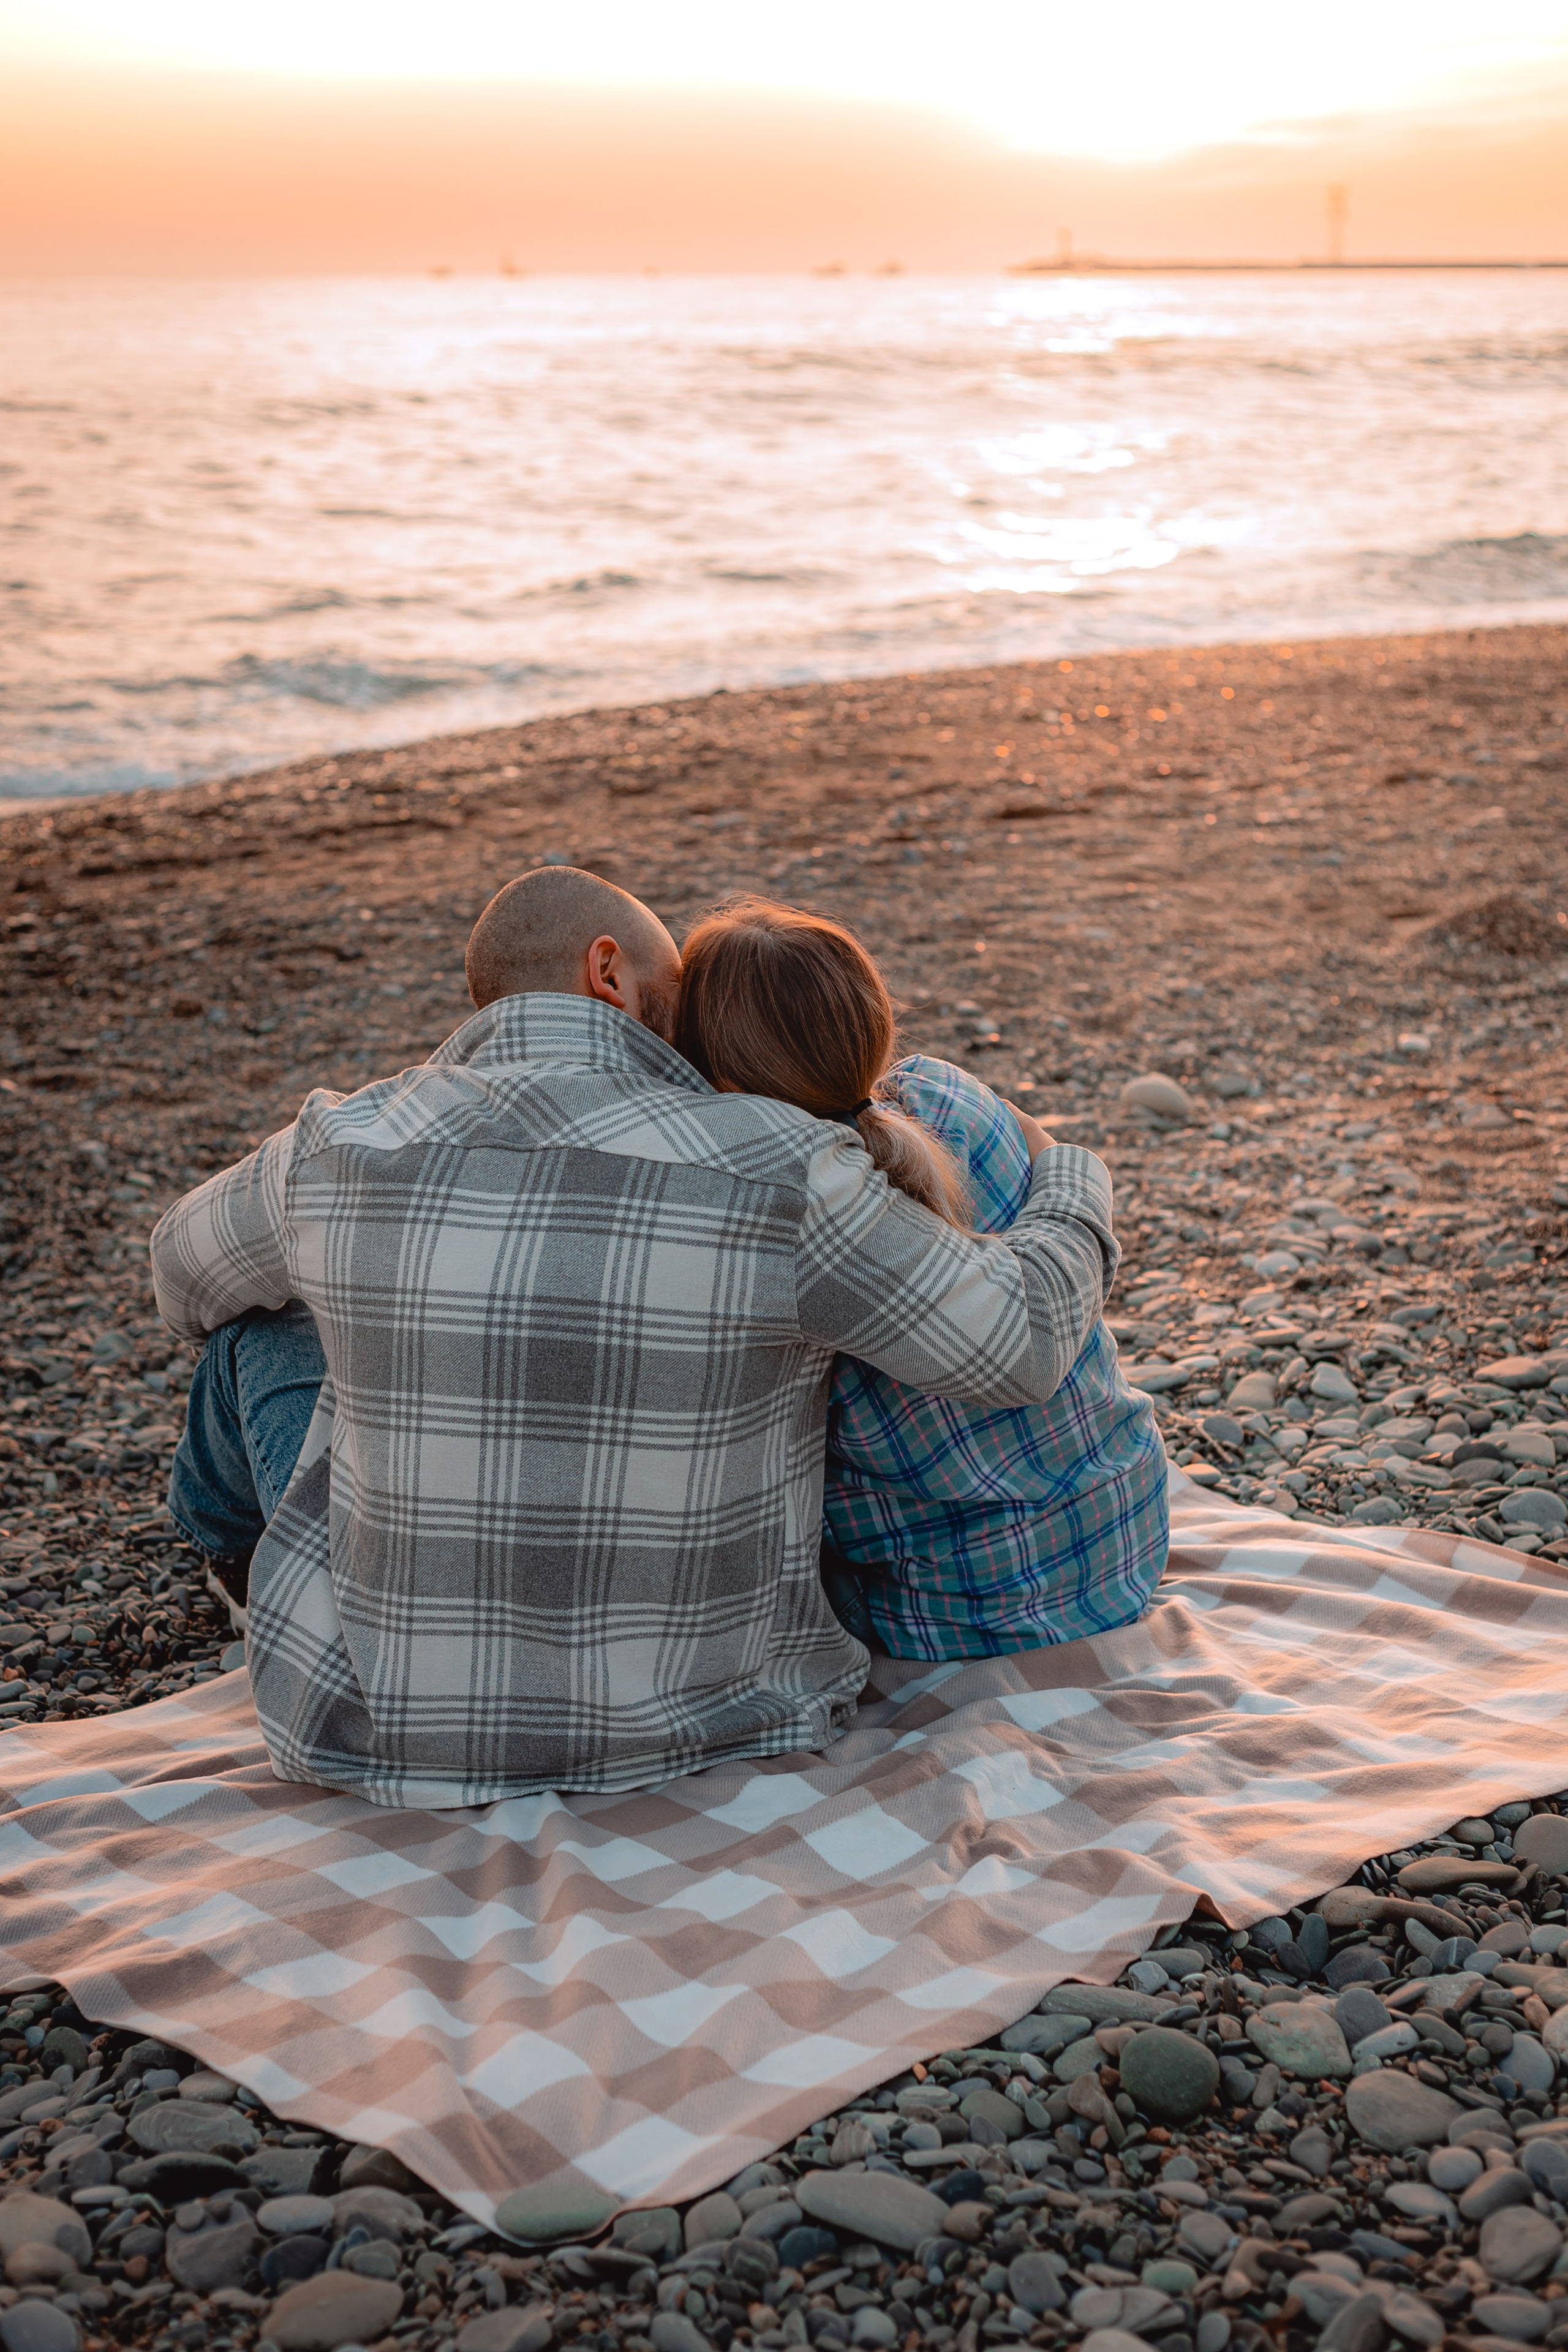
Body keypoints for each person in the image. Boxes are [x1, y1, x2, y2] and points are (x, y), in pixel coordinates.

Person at [153, 865, 1120, 1807]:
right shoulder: (786, 1166)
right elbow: (1024, 1339)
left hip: (384, 1736)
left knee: (260, 1316)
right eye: (678, 989)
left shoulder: (338, 1141)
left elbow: (178, 1279)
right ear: (607, 971)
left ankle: (239, 1563)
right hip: (716, 1719)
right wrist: (1070, 1172)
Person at [677, 897, 1169, 1660]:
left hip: (957, 1611)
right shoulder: (946, 1092)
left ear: (724, 1078)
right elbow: (1033, 1151)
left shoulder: (775, 1217)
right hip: (1124, 1531)